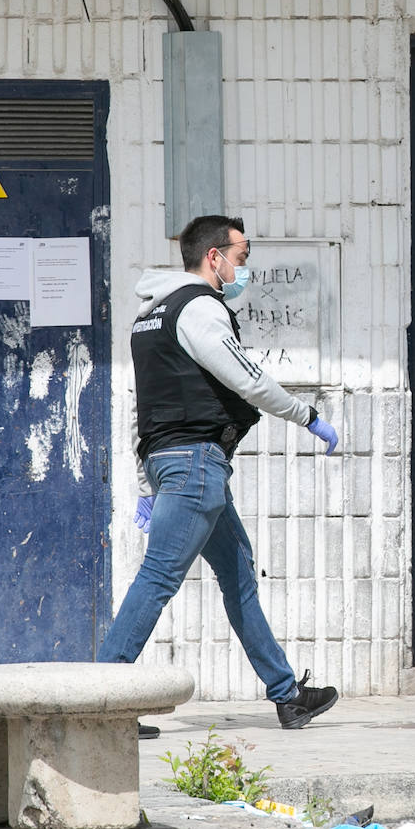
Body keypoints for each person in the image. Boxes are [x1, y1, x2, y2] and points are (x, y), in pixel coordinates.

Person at [100, 214, 340, 732]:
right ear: (215, 257)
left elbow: (144, 407)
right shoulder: (199, 308)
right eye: (242, 257)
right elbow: (247, 380)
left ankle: (287, 694)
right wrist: (309, 416)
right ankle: (103, 702)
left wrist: (147, 482)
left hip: (173, 464)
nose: (244, 268)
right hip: (194, 466)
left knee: (237, 575)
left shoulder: (151, 314)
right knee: (158, 577)